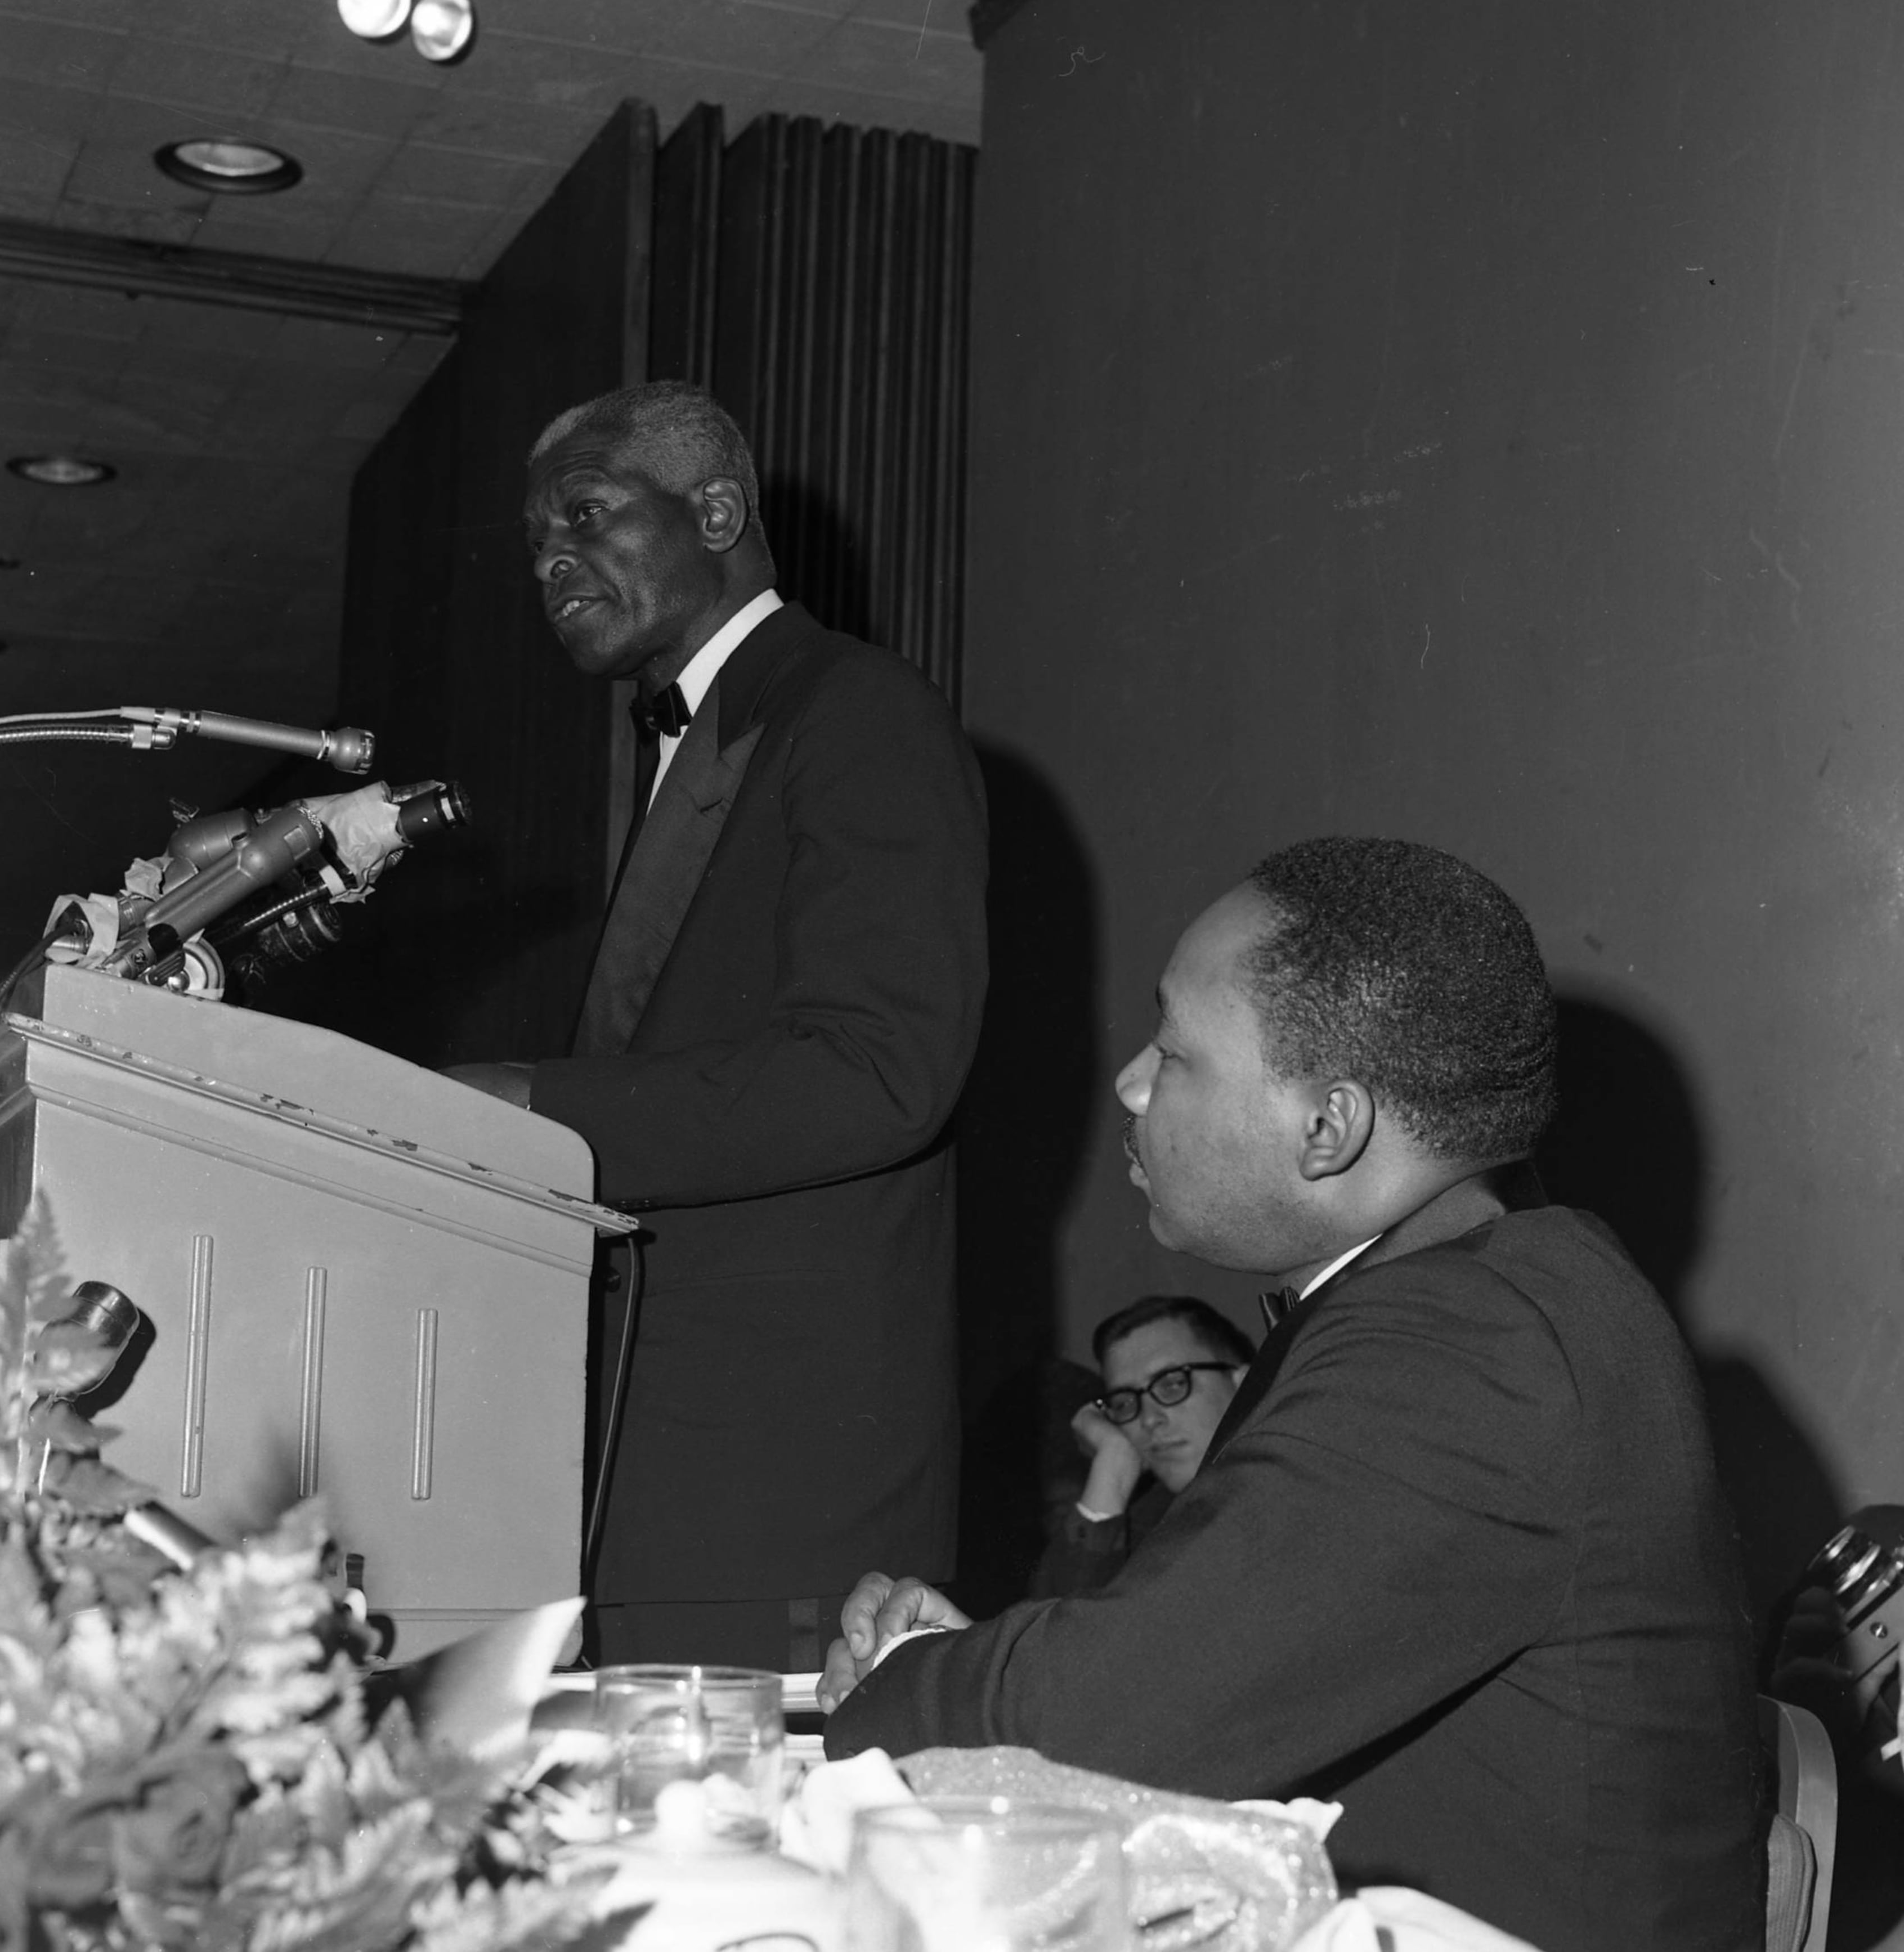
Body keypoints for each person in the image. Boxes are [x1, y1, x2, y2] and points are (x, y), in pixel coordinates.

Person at [822, 836, 1764, 1952]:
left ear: (1330, 1128)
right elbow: (1190, 1661)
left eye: (1173, 1050)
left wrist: (899, 1682)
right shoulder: (1483, 1289)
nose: (1131, 1081)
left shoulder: (1468, 1340)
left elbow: (1112, 1715)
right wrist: (1011, 1666)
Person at [441, 380, 988, 1672]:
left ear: (717, 511)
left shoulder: (855, 712)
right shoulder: (707, 743)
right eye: (534, 542)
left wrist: (523, 1105)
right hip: (653, 1486)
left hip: (776, 1500)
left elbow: (878, 1072)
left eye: (584, 513)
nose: (551, 560)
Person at [1027, 1295, 1252, 1599]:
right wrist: (1113, 1464)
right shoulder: (1147, 1526)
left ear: (1244, 1384)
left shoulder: (1307, 1484)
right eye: (1125, 1402)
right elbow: (1052, 1637)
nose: (1148, 1419)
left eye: (1172, 1383)